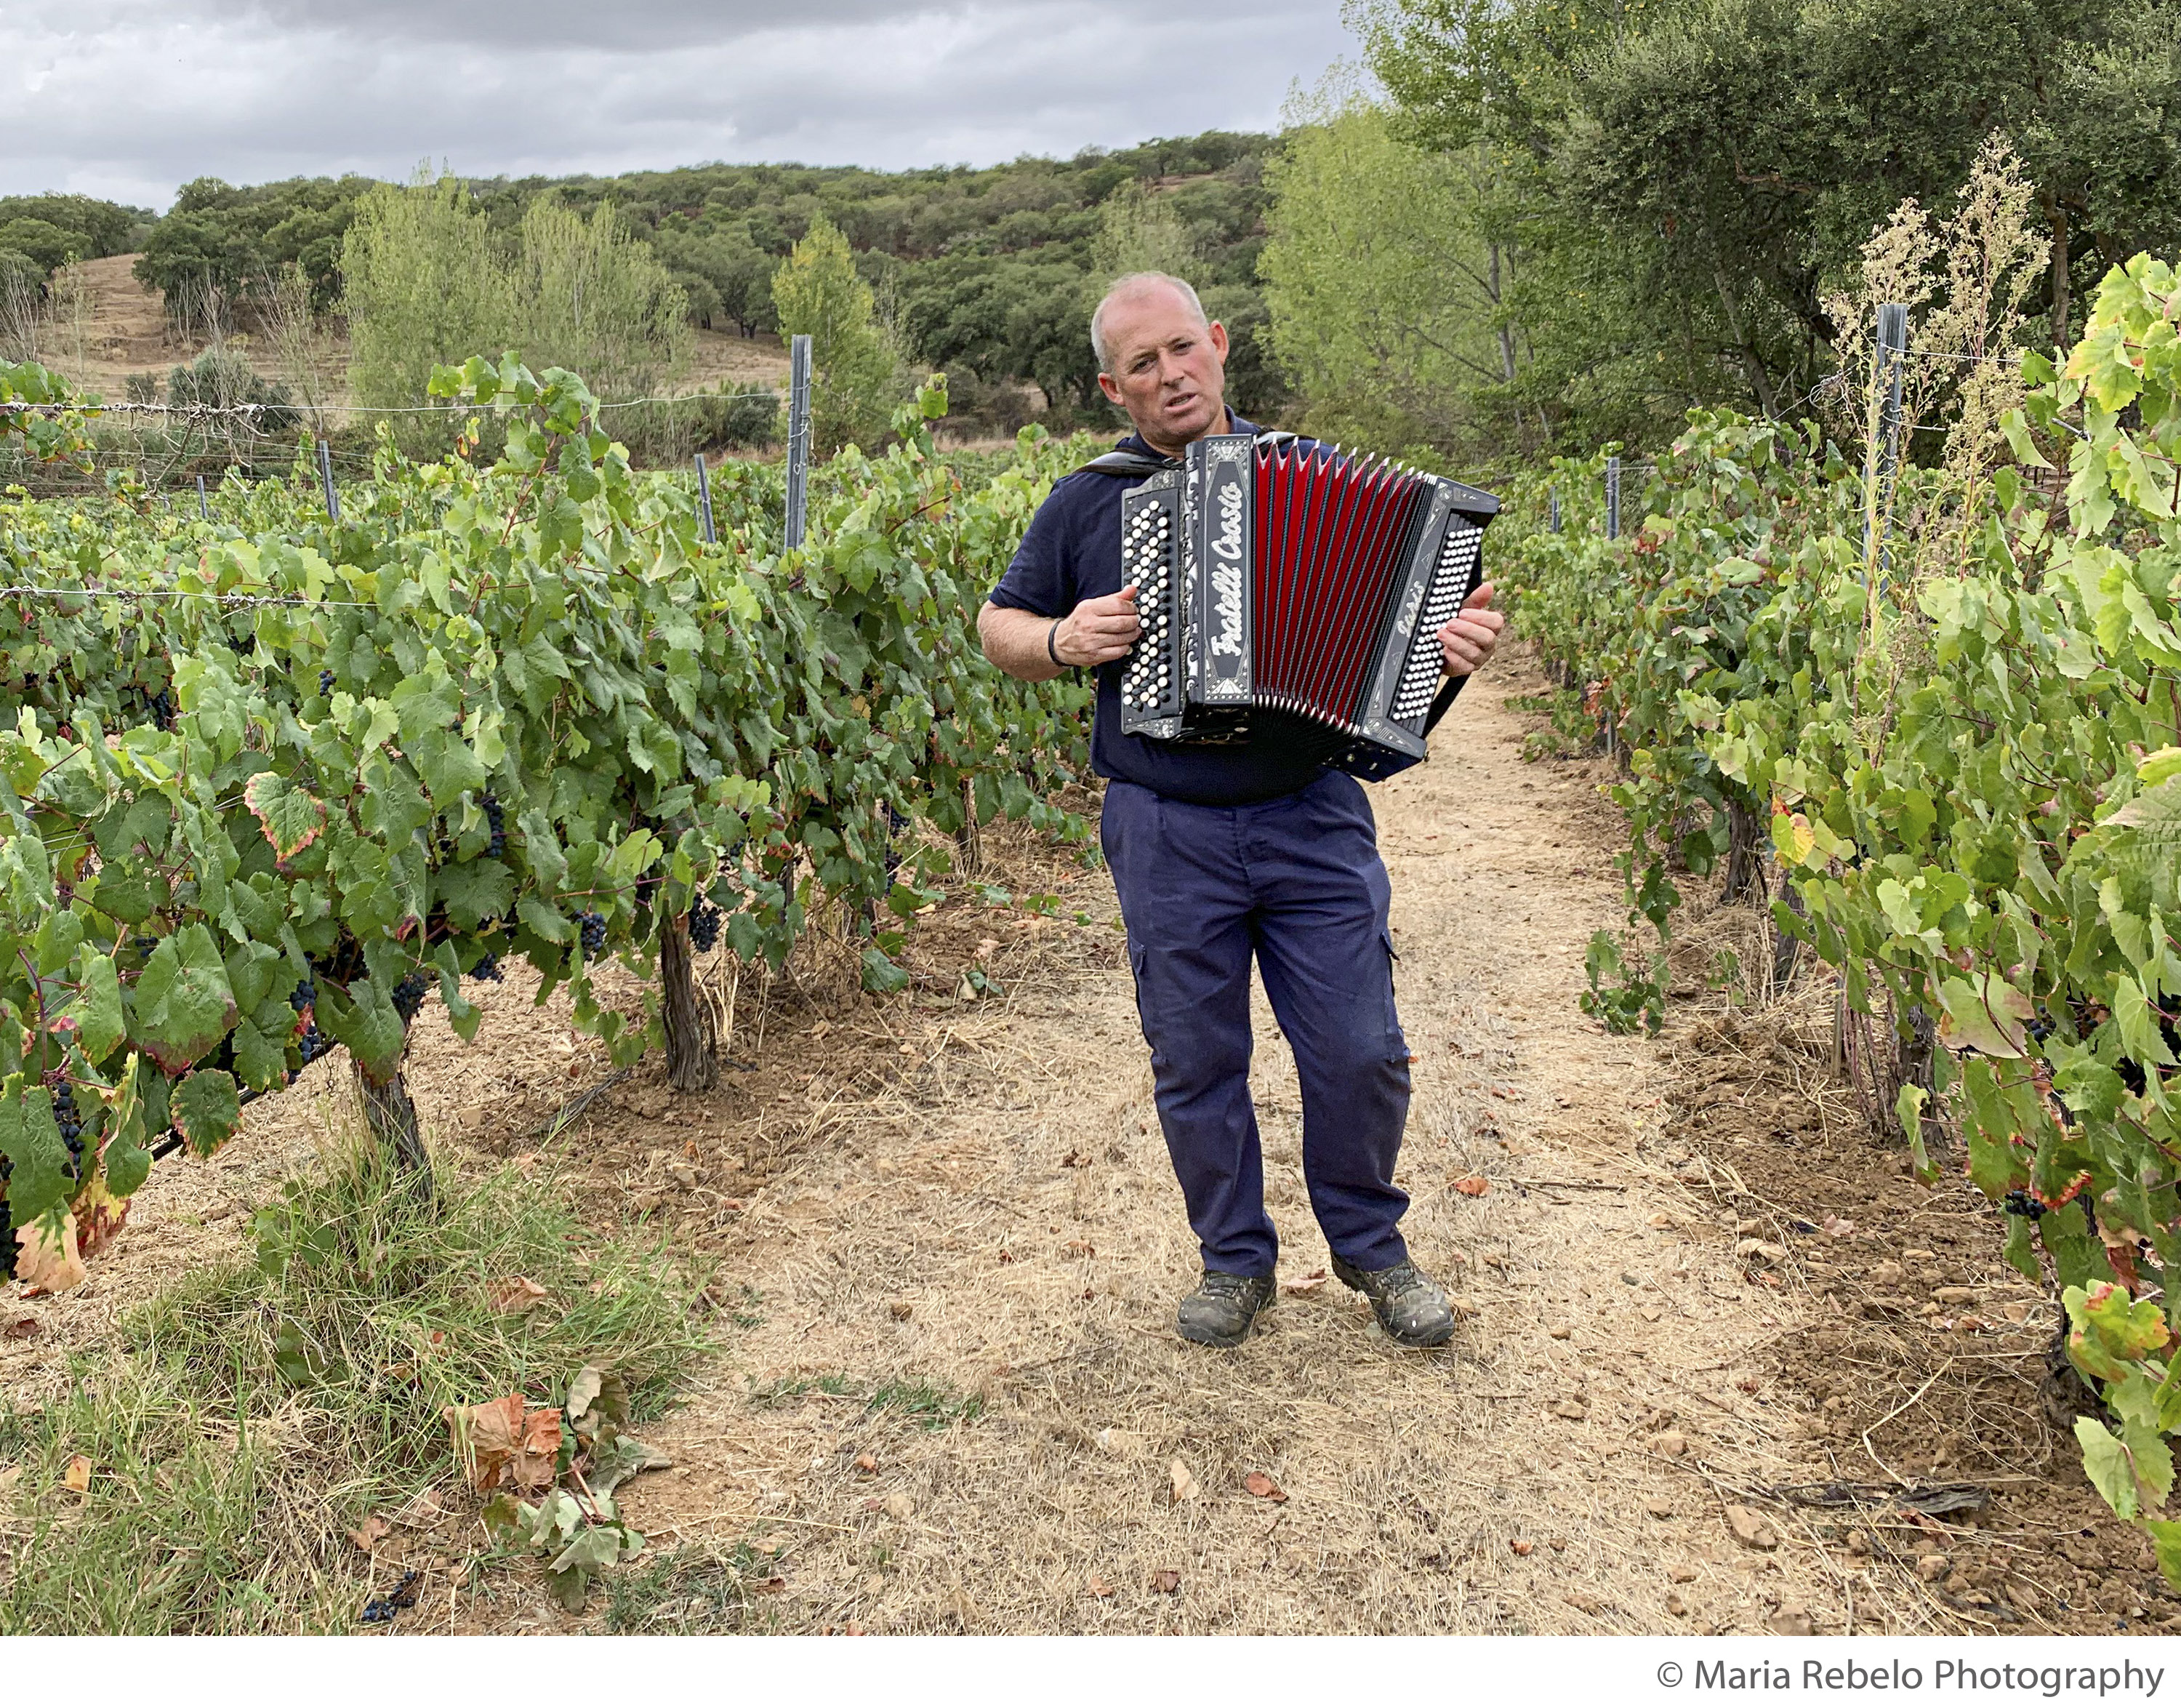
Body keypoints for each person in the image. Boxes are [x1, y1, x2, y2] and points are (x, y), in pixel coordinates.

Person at [977, 273, 1505, 1350]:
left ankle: (1369, 1244)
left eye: (1182, 349)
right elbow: (999, 625)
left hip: (1310, 810)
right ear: (1111, 387)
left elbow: (1395, 679)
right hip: (1165, 824)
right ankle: (1234, 1260)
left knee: (1362, 1047)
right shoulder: (1090, 499)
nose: (1170, 375)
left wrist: (1445, 662)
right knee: (1194, 1055)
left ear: (1217, 344)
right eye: (1142, 364)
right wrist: (1063, 640)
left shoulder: (1308, 472)